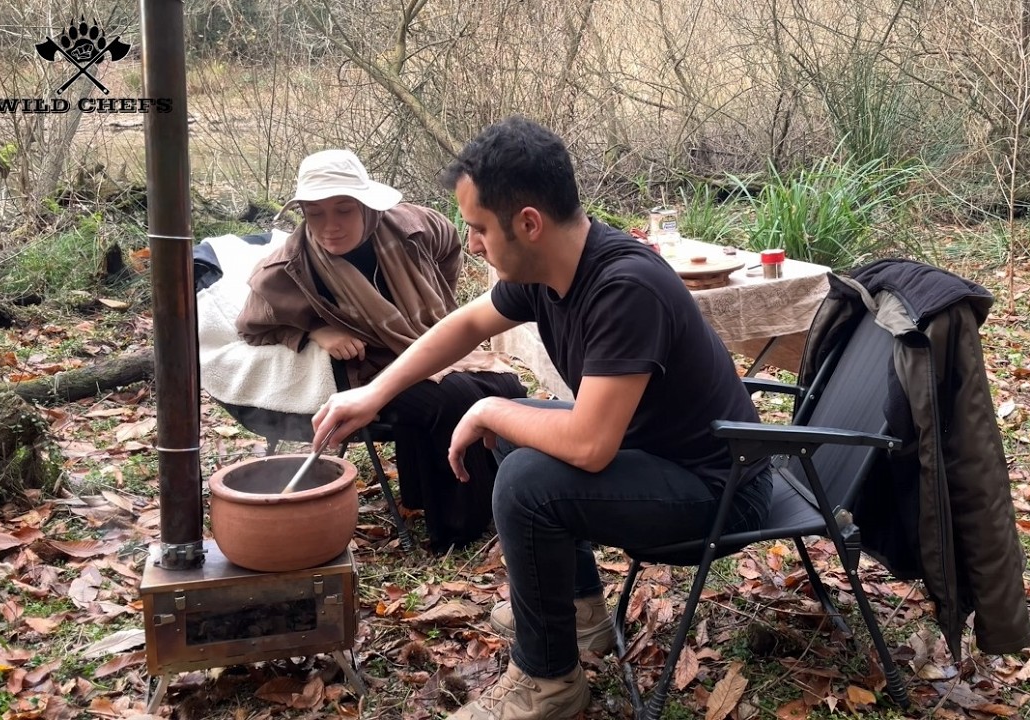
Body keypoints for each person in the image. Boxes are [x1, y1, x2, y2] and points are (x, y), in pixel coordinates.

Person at [311, 118, 774, 719]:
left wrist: (487, 405)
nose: (471, 244)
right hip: (659, 460)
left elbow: (588, 447)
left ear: (528, 223)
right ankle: (580, 614)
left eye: (478, 229)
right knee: (516, 437)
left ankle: (548, 683)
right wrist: (374, 392)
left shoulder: (624, 287)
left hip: (720, 489)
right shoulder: (550, 268)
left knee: (527, 478)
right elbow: (467, 324)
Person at [236, 149, 526, 552]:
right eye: (315, 214)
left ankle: (510, 499)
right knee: (453, 399)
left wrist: (434, 304)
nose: (330, 227)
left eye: (343, 210)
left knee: (506, 386)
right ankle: (462, 529)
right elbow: (253, 323)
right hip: (372, 365)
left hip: (432, 339)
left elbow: (449, 246)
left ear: (366, 206)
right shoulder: (289, 268)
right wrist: (318, 331)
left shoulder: (413, 226)